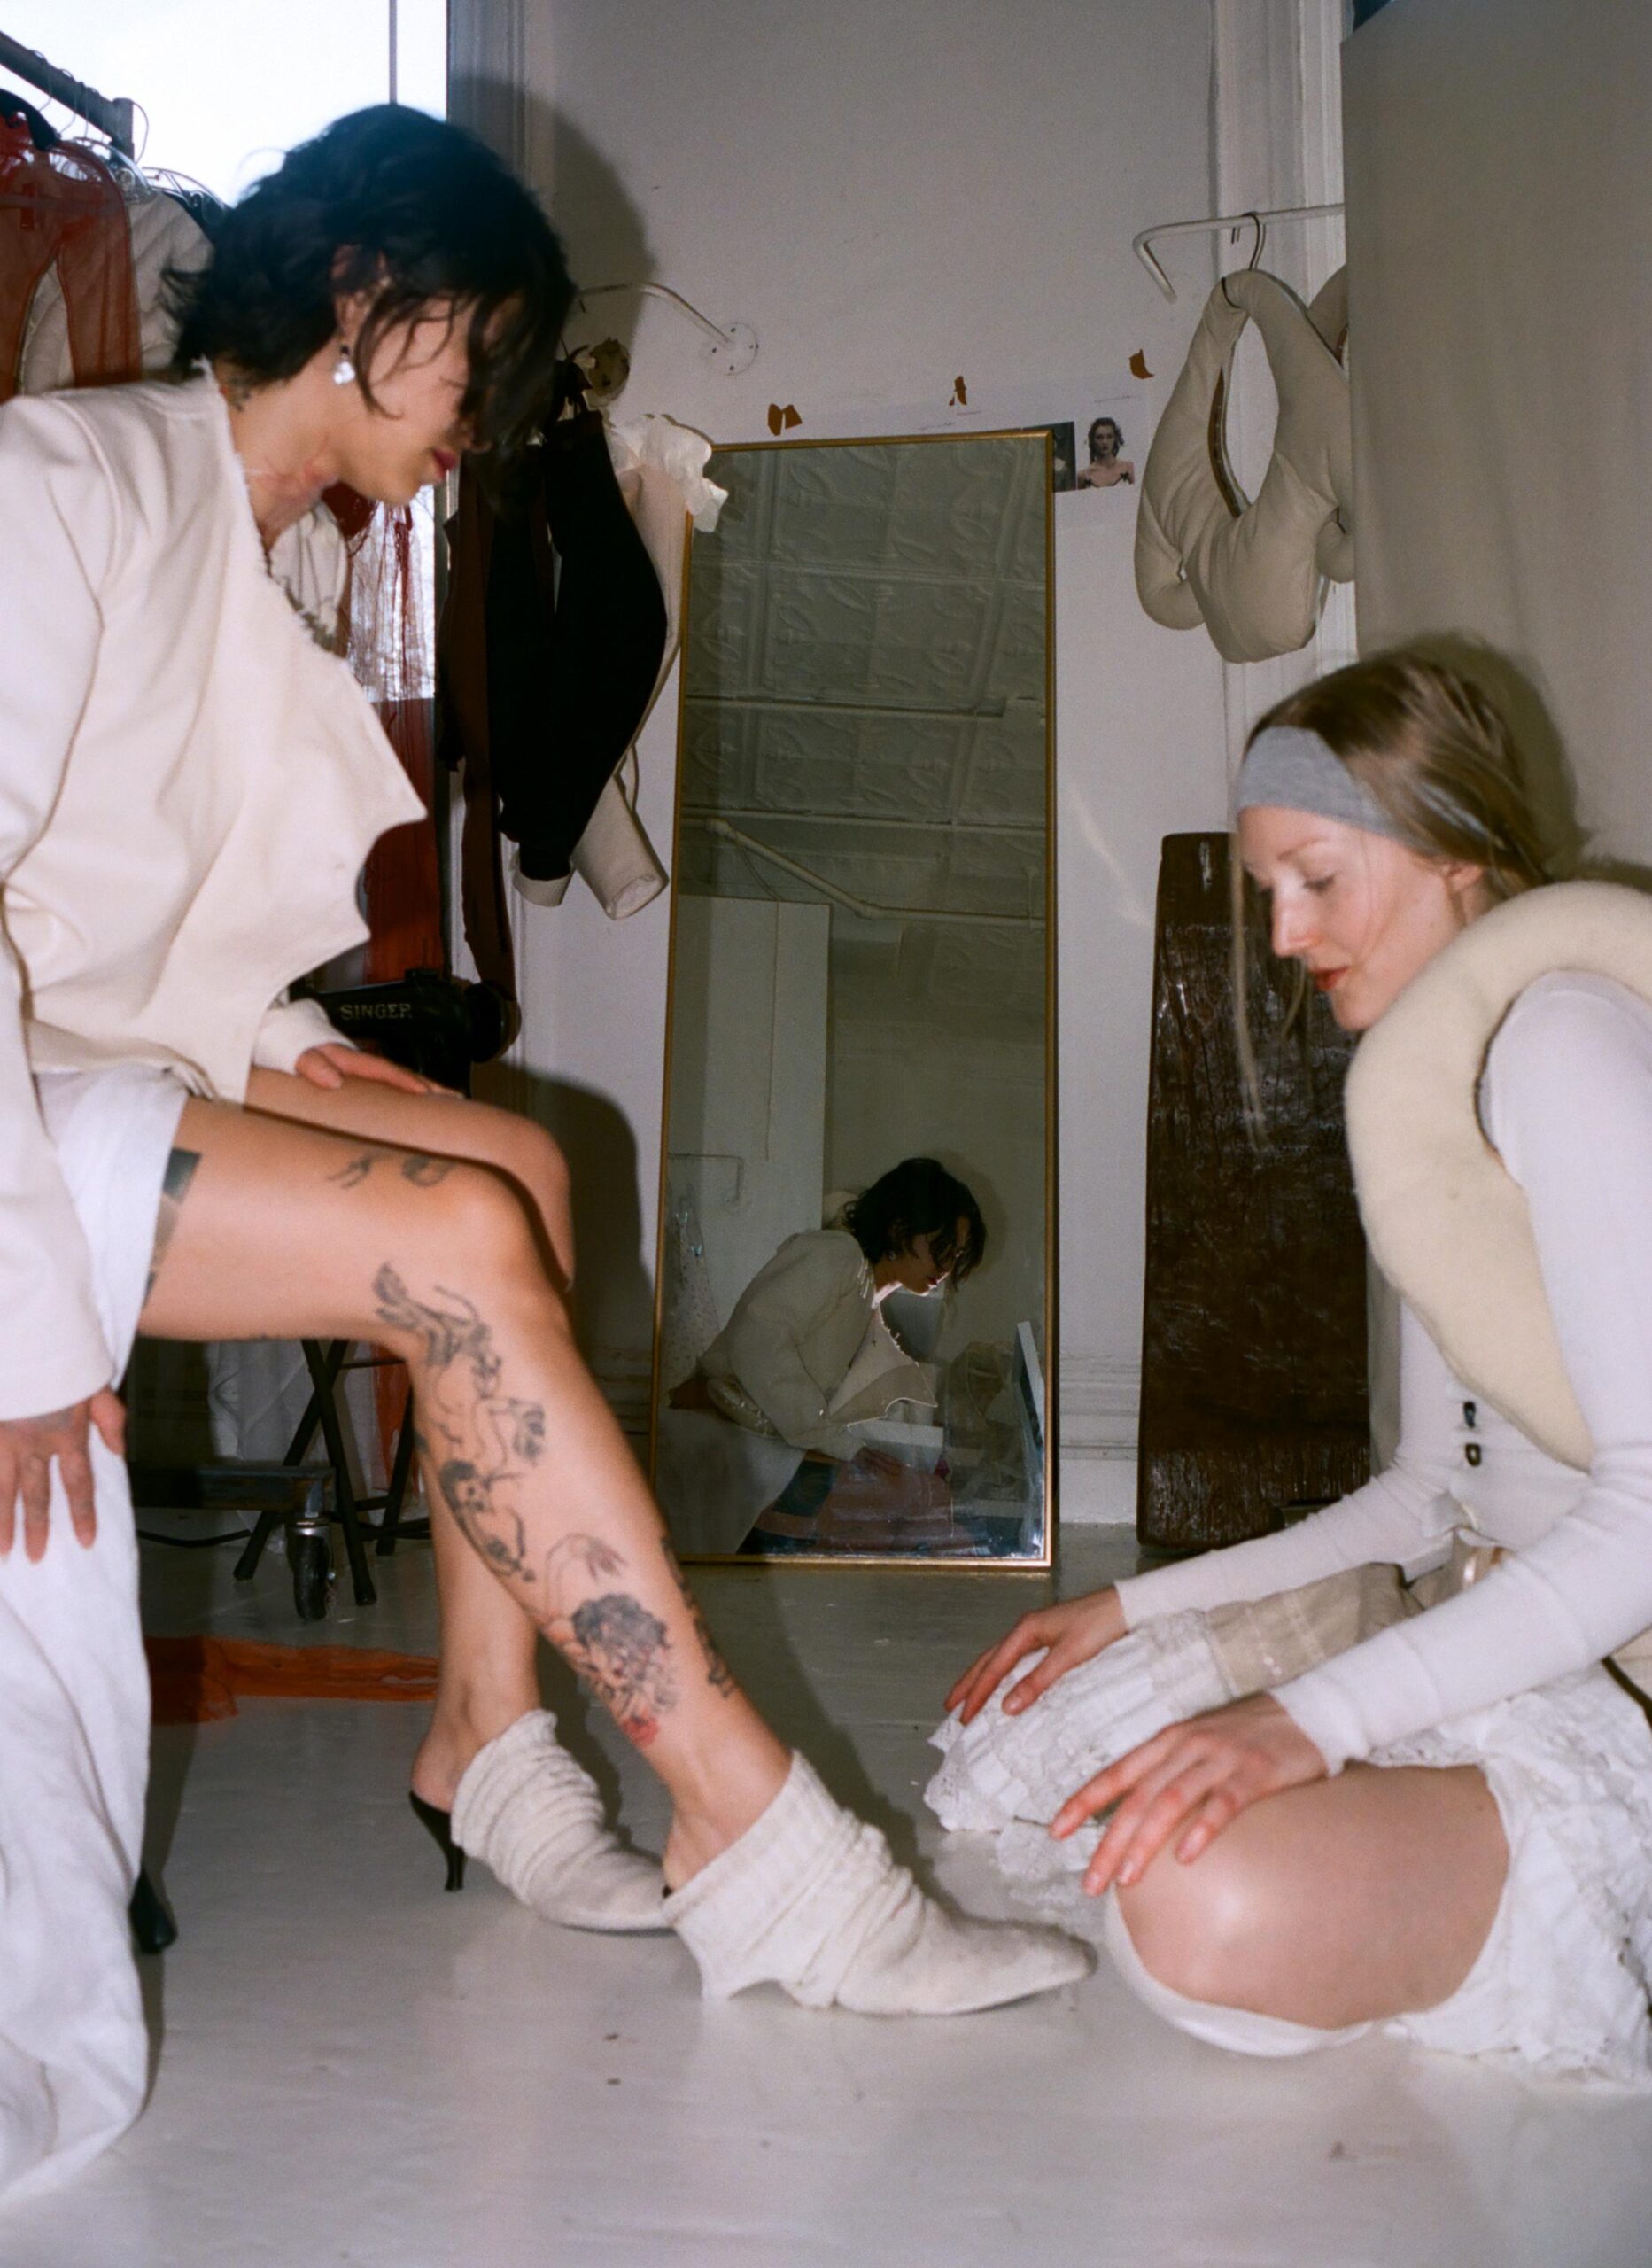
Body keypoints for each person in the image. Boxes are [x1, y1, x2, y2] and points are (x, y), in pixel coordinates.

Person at [0, 107, 1085, 2199]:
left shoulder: (261, 549)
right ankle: (769, 1843)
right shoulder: (67, 481)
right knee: (462, 1251)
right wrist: (28, 1314)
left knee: (519, 1173)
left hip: (83, 1061)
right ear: (368, 306)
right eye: (482, 360)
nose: (495, 423)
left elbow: (150, 911)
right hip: (18, 1113)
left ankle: (485, 1743)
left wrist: (304, 1048)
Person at [935, 648, 1652, 2086]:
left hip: (1622, 1649)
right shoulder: (1436, 1072)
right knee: (1048, 1754)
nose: (1281, 935)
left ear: (1453, 845)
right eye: (1271, 890)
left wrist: (1304, 1726)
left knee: (1206, 1899)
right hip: (1494, 1600)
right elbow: (1423, 1495)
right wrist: (1125, 1608)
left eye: (1315, 879)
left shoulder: (1561, 1043)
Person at [674, 1157, 985, 1458]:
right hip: (705, 1431)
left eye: (955, 1255)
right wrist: (837, 1444)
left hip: (736, 1443)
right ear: (898, 1228)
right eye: (939, 1247)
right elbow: (758, 1338)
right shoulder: (838, 1255)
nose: (945, 1267)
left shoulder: (868, 1299)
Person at [1076, 415, 1134, 488]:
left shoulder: (1128, 468)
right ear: (1093, 441)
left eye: (1109, 436)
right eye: (1099, 437)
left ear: (1115, 439)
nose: (1104, 442)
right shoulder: (1083, 476)